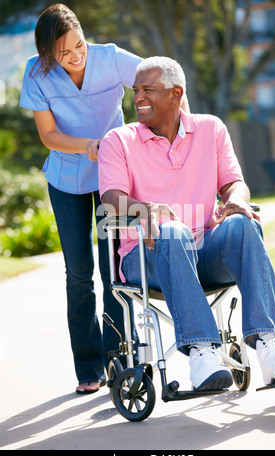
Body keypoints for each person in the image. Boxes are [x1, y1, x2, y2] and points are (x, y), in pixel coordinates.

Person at [98, 56, 275, 391]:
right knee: (172, 231)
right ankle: (202, 352)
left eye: (148, 89)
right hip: (146, 259)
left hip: (203, 251)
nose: (137, 98)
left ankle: (268, 344)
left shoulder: (211, 129)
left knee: (243, 223)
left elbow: (234, 183)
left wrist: (238, 198)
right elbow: (111, 196)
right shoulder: (118, 141)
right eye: (135, 91)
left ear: (176, 94)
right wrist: (144, 209)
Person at [19, 3, 143, 394]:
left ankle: (119, 358)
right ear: (47, 55)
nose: (75, 57)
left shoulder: (111, 58)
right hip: (67, 178)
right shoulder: (36, 74)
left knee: (115, 272)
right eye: (64, 53)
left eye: (79, 46)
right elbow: (48, 135)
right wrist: (89, 146)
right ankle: (89, 366)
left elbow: (160, 79)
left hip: (112, 178)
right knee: (79, 274)